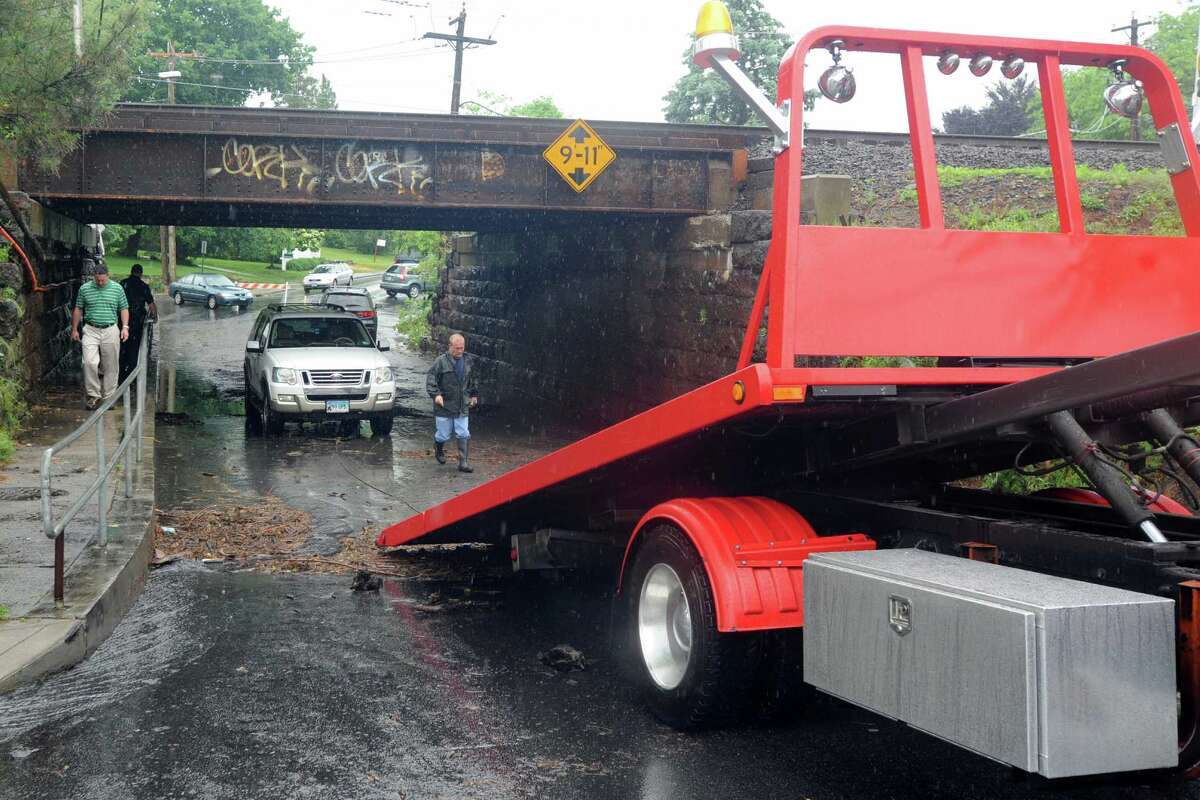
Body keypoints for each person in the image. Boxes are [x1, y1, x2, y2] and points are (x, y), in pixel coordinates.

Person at [71, 262, 129, 410]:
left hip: (110, 329)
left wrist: (125, 327)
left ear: (107, 276)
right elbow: (78, 308)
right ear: (94, 277)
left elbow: (123, 308)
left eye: (103, 280)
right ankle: (93, 395)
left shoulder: (117, 288)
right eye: (98, 280)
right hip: (90, 329)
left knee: (111, 365)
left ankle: (109, 397)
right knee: (89, 362)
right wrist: (74, 329)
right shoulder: (85, 289)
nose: (100, 283)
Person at [426, 333, 478, 472]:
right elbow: (431, 379)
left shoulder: (468, 361)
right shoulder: (440, 362)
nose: (460, 351)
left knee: (463, 432)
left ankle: (463, 463)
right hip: (444, 405)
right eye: (457, 348)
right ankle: (438, 448)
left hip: (462, 404)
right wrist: (436, 395)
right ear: (450, 346)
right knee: (444, 434)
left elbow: (472, 380)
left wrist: (473, 395)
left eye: (462, 348)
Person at [118, 263, 157, 384]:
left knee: (122, 344)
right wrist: (155, 317)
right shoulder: (143, 286)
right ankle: (131, 372)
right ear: (140, 273)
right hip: (137, 320)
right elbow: (151, 304)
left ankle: (120, 370)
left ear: (131, 271)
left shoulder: (122, 284)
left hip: (122, 319)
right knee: (134, 345)